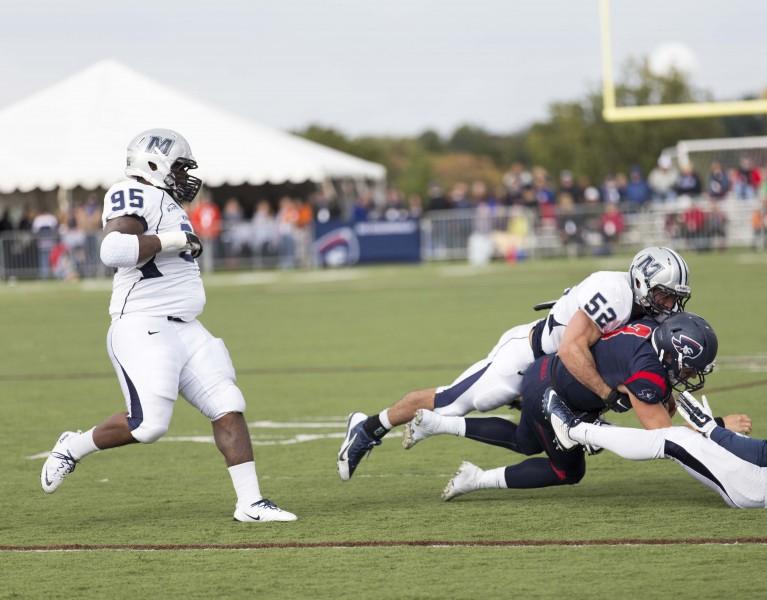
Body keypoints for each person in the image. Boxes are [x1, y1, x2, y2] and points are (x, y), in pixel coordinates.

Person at [39, 128, 296, 523]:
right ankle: (74, 446)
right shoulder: (132, 191)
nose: (185, 175)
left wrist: (177, 238)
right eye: (178, 167)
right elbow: (114, 250)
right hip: (143, 324)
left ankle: (250, 502)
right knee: (148, 427)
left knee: (228, 403)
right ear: (153, 165)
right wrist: (174, 239)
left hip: (187, 325)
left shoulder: (167, 202)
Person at [336, 247, 694, 481]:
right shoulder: (614, 293)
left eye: (675, 298)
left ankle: (446, 439)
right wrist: (604, 393)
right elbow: (571, 350)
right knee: (452, 401)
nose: (668, 305)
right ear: (641, 281)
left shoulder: (644, 308)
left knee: (528, 442)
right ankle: (368, 428)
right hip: (526, 358)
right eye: (664, 294)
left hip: (556, 373)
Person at [433, 312, 746, 500]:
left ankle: (442, 427)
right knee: (566, 471)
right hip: (553, 392)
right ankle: (475, 477)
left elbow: (663, 405)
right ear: (672, 354)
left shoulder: (650, 332)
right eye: (691, 368)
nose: (693, 375)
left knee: (524, 442)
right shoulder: (648, 372)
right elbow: (663, 439)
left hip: (546, 373)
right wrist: (716, 427)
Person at [544, 342, 767, 508]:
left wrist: (712, 429)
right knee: (678, 438)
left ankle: (575, 429)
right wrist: (715, 432)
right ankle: (583, 430)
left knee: (673, 438)